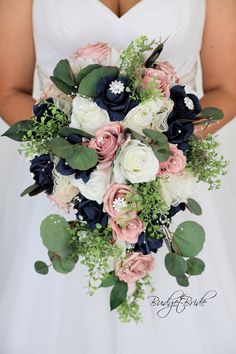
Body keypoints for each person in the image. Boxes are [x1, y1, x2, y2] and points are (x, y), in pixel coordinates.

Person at [0, 1, 236, 353]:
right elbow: (9, 91)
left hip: (171, 185)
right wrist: (82, 147)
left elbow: (226, 89)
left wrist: (159, 145)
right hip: (66, 185)